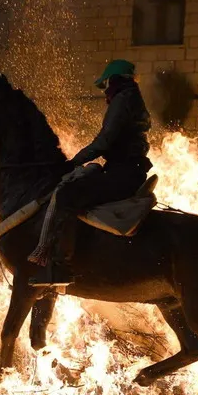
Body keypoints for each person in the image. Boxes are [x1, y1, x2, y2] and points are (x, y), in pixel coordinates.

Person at [29, 59, 152, 286]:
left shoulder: (123, 99)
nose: (105, 92)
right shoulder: (132, 98)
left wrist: (74, 162)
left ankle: (59, 266)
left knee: (67, 195)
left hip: (122, 173)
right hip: (127, 170)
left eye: (104, 85)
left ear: (113, 80)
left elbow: (104, 141)